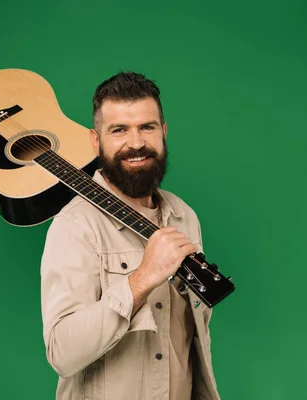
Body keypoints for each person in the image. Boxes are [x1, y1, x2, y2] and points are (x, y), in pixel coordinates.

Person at [39, 72, 220, 399]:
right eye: (119, 130)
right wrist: (143, 278)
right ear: (96, 141)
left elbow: (190, 338)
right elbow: (61, 352)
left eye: (147, 127)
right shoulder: (76, 225)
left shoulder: (184, 216)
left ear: (163, 133)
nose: (136, 143)